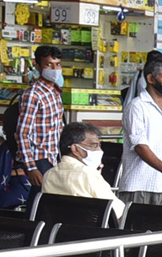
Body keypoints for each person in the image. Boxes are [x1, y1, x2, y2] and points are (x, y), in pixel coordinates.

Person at [118, 59, 162, 207]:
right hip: (140, 185)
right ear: (150, 79)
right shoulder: (137, 107)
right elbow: (140, 146)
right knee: (137, 230)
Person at [41, 121, 126, 218]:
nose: (100, 151)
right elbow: (119, 212)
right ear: (75, 149)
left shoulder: (49, 175)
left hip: (59, 231)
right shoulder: (87, 174)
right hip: (94, 232)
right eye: (94, 145)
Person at [15, 45, 65, 191]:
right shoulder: (33, 94)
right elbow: (22, 133)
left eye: (58, 64)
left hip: (53, 155)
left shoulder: (55, 92)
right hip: (38, 157)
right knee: (40, 196)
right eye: (49, 64)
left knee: (45, 199)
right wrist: (31, 167)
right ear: (38, 66)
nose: (54, 69)